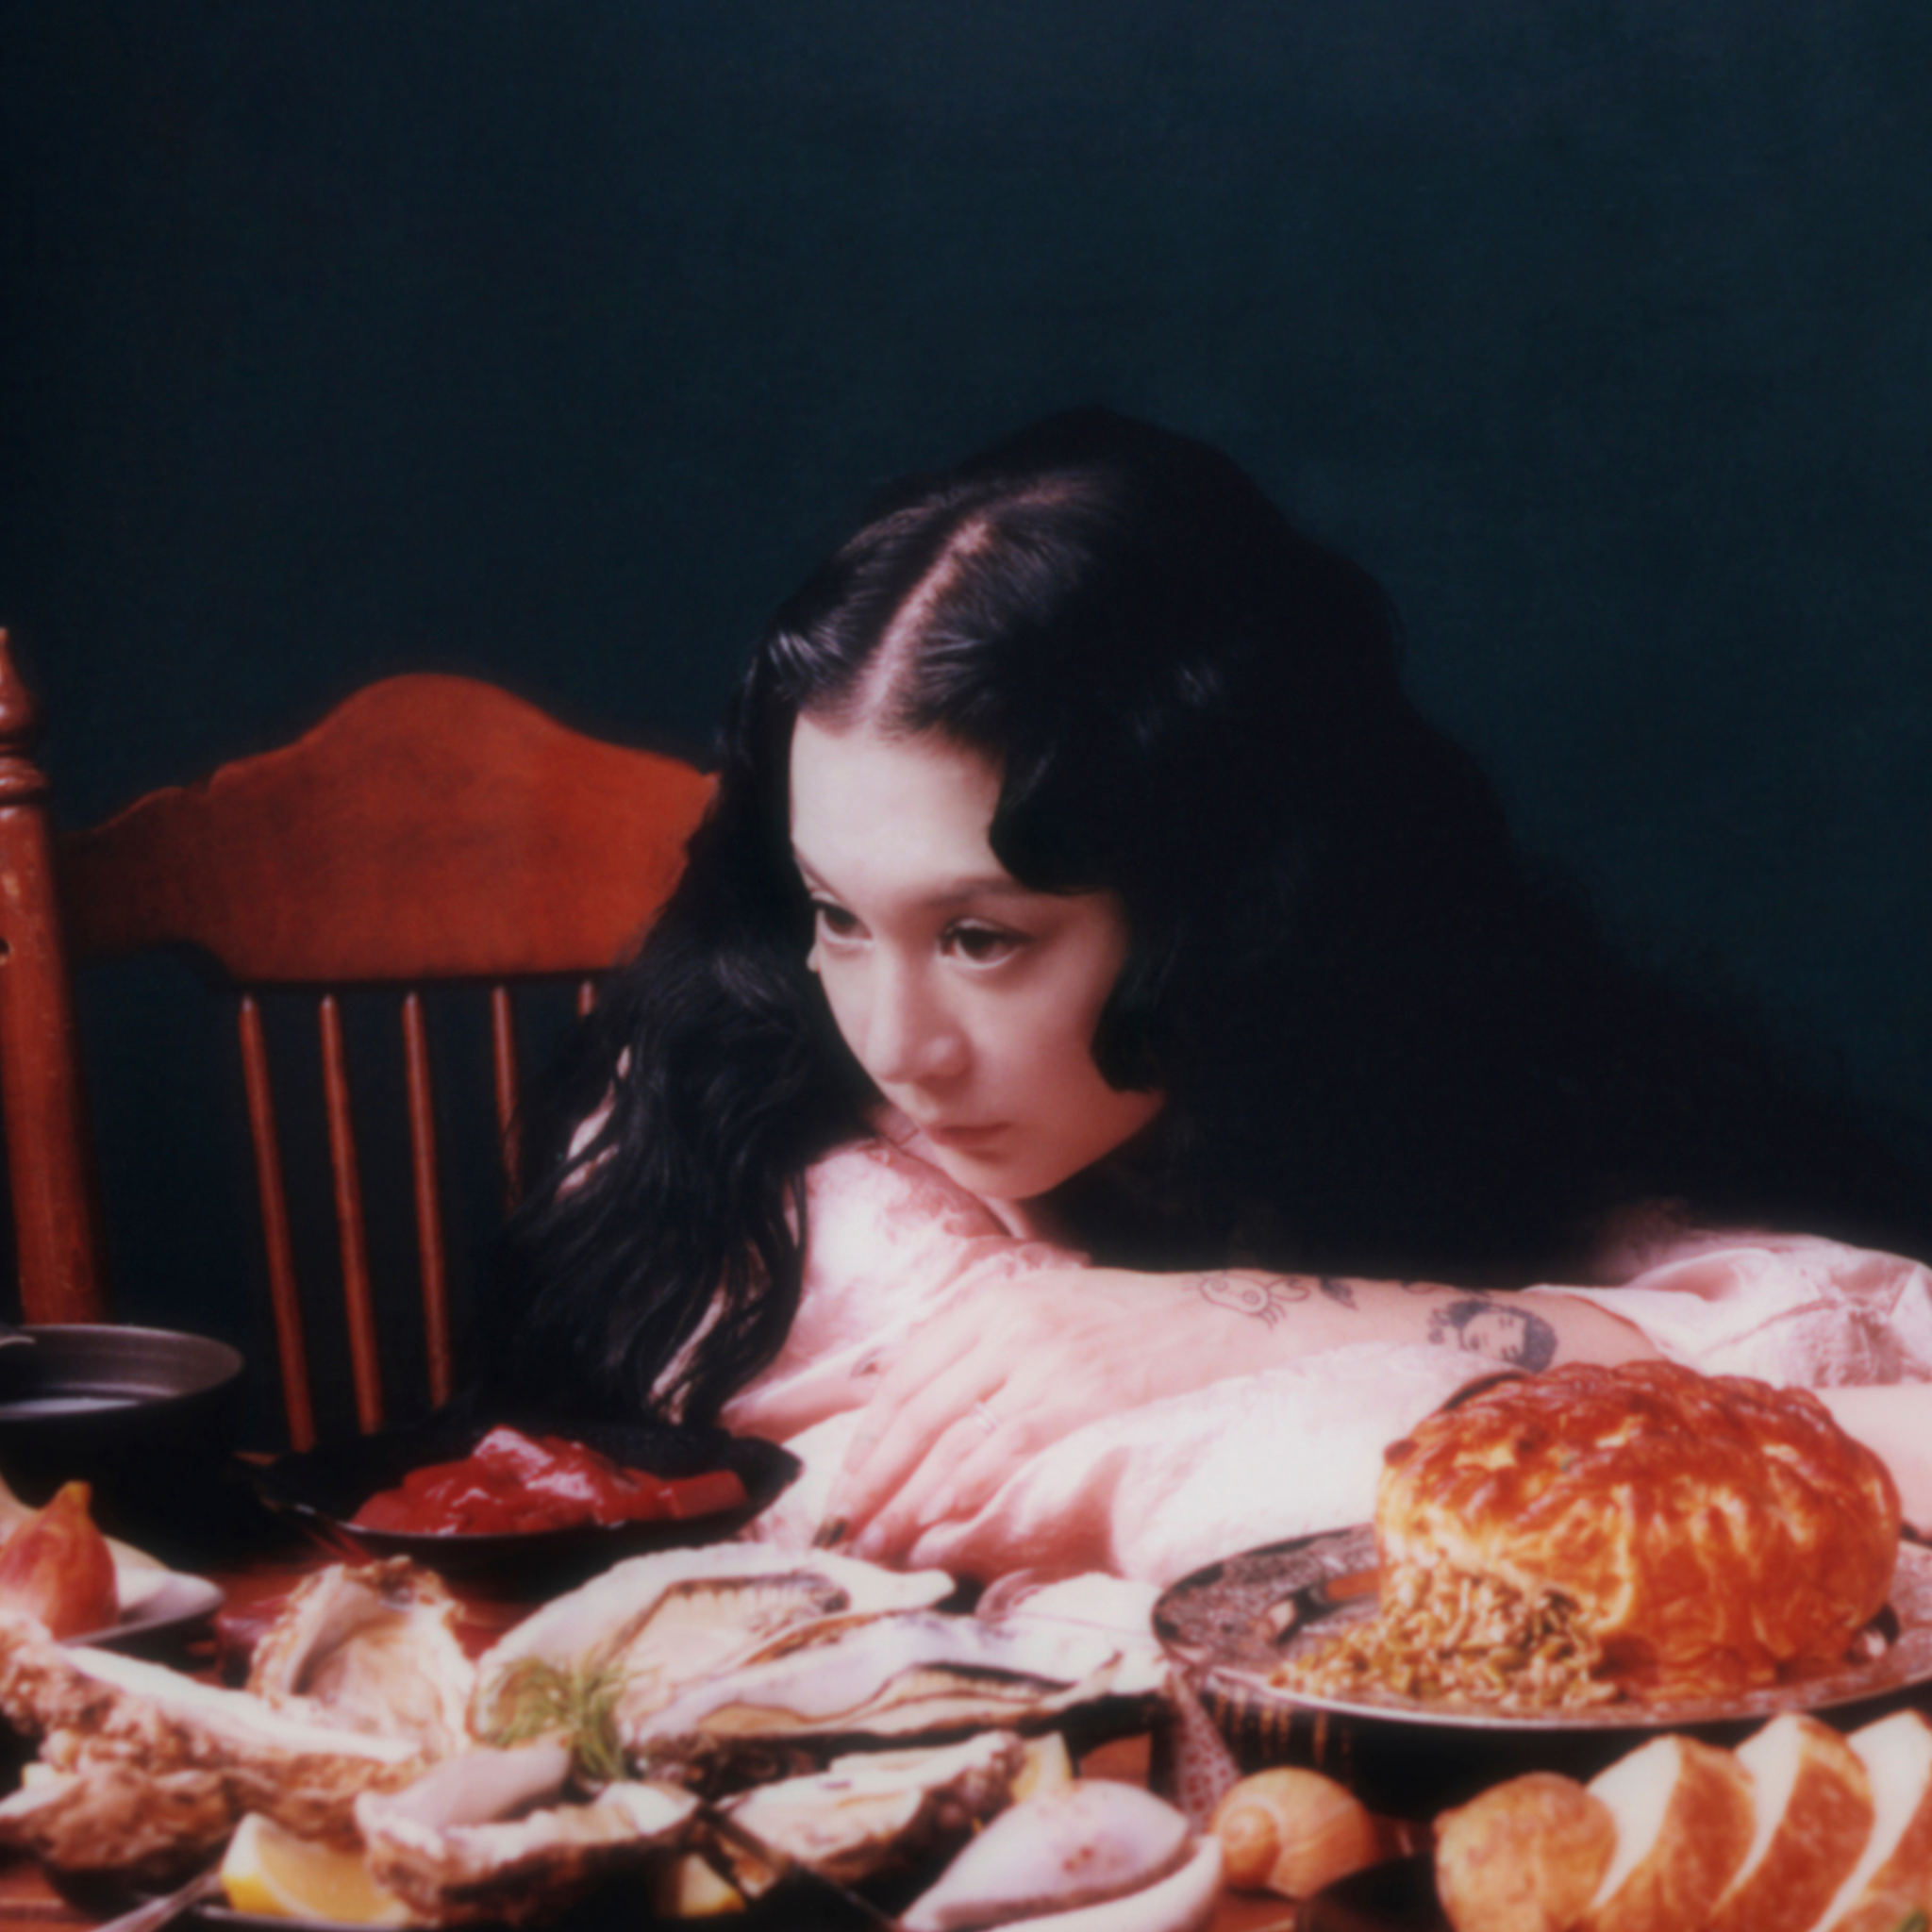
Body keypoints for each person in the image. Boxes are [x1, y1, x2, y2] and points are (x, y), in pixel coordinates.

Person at [488, 408, 1932, 1582]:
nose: (895, 1040)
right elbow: (1283, 1494)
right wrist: (1409, 1352)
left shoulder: (1379, 1064)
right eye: (834, 916)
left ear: (1227, 906)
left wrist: (1258, 1313)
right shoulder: (742, 1159)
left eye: (983, 937)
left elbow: (1871, 1314)